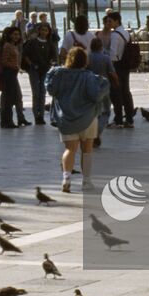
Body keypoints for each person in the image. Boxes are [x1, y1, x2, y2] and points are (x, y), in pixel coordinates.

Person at [46, 46, 109, 192]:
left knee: (70, 149)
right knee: (87, 150)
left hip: (66, 118)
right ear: (84, 61)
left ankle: (66, 177)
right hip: (88, 118)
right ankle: (86, 181)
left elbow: (50, 89)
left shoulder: (59, 75)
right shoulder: (88, 77)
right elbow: (95, 95)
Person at [102, 11, 135, 128]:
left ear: (117, 21)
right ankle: (130, 119)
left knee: (116, 93)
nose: (108, 23)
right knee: (126, 92)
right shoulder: (126, 33)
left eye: (110, 21)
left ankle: (118, 120)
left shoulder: (115, 34)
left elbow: (113, 53)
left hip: (117, 65)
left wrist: (109, 67)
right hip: (125, 66)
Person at [21, 20, 58, 125]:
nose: (44, 32)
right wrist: (31, 64)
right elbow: (25, 54)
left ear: (48, 32)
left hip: (45, 69)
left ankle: (41, 116)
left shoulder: (50, 43)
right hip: (34, 69)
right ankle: (36, 115)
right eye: (42, 29)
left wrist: (51, 64)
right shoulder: (32, 42)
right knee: (36, 93)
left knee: (43, 93)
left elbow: (54, 57)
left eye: (46, 30)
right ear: (38, 30)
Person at [0, 25, 28, 128]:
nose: (16, 36)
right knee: (8, 98)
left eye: (18, 34)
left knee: (13, 97)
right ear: (9, 35)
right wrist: (15, 66)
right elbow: (4, 62)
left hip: (13, 73)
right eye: (14, 34)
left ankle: (10, 120)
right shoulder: (8, 46)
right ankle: (7, 121)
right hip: (8, 73)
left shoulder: (13, 45)